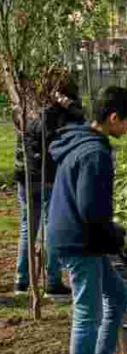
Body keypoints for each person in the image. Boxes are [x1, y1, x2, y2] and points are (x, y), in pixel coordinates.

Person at [47, 86, 127, 354]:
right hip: (78, 239)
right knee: (88, 313)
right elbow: (91, 211)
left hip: (81, 235)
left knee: (118, 295)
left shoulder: (81, 140)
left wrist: (111, 234)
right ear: (113, 118)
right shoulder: (95, 153)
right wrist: (113, 234)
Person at [13, 68, 83, 299]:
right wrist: (68, 105)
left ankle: (22, 281)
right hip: (48, 177)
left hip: (26, 175)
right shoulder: (57, 113)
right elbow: (81, 121)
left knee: (28, 227)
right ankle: (52, 281)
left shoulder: (27, 105)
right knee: (50, 227)